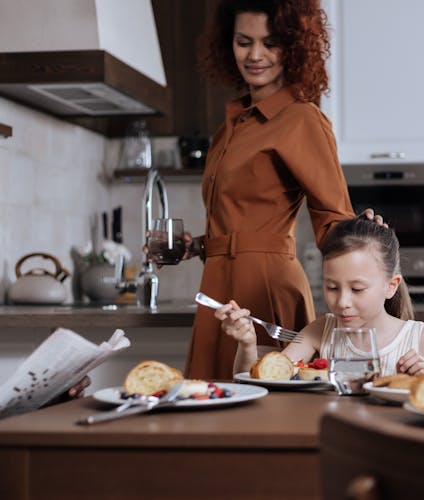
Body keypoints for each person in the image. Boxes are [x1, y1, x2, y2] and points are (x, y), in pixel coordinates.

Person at [167, 0, 386, 379]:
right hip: (217, 282)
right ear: (227, 44)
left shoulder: (301, 120)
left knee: (262, 409)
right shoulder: (231, 126)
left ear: (294, 47)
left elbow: (332, 217)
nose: (255, 55)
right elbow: (244, 216)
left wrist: (360, 236)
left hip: (266, 286)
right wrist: (198, 245)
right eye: (243, 41)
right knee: (211, 406)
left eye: (271, 43)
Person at [216, 217, 424, 376]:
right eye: (332, 288)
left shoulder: (419, 339)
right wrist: (247, 344)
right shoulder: (321, 331)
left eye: (357, 289)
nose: (342, 302)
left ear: (391, 286)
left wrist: (419, 381)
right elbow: (266, 378)